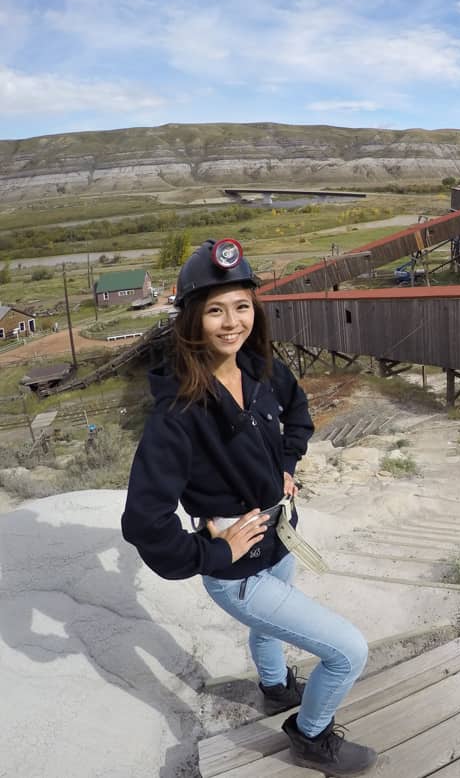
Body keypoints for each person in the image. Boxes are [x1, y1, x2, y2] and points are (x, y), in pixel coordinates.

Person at [122, 238, 376, 776]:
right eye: (215, 310)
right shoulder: (178, 412)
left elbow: (299, 412)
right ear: (191, 319)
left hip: (279, 540)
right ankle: (310, 736)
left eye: (241, 305)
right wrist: (213, 551)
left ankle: (276, 686)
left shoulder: (260, 370)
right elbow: (144, 521)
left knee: (273, 623)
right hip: (238, 573)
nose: (231, 321)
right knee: (348, 651)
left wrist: (286, 464)